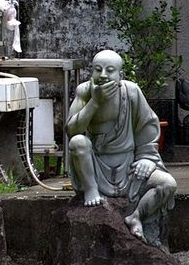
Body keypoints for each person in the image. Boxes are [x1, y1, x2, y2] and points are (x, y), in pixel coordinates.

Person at [65, 49, 177, 246]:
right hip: (95, 165)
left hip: (129, 165)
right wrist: (94, 102)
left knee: (167, 184)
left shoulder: (131, 92)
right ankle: (92, 190)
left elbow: (147, 127)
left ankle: (136, 216)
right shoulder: (84, 91)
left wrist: (146, 159)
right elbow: (72, 130)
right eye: (98, 70)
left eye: (110, 70)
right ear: (91, 72)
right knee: (78, 143)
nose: (103, 76)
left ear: (120, 75)